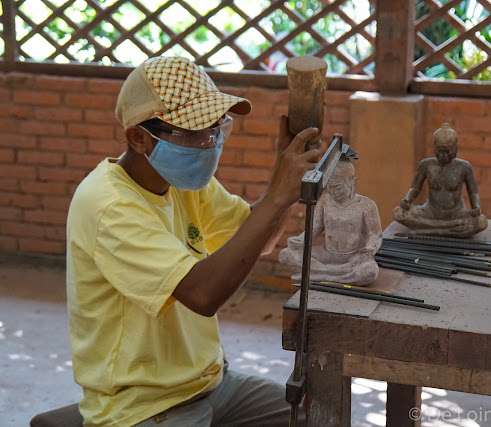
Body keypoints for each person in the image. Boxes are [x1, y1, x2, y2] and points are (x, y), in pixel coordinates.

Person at [65, 56, 322, 426]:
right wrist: (279, 195)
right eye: (191, 133)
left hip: (210, 383)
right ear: (139, 138)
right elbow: (203, 295)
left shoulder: (178, 181)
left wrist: (285, 179)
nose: (208, 144)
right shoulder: (109, 207)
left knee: (317, 413)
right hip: (143, 406)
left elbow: (256, 238)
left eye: (216, 128)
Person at [279, 158, 383, 286]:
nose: (333, 192)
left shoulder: (366, 205)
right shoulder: (324, 201)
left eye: (338, 187)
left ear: (352, 182)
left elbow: (375, 234)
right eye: (329, 187)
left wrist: (370, 248)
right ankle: (337, 275)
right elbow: (314, 228)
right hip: (327, 254)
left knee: (369, 272)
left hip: (353, 257)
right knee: (285, 255)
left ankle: (318, 275)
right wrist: (300, 240)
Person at [392, 123, 488, 237]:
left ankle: (429, 230)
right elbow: (415, 188)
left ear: (456, 148)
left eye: (448, 151)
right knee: (398, 213)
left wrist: (476, 207)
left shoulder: (464, 167)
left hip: (456, 213)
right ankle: (450, 231)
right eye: (440, 151)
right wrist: (407, 200)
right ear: (434, 148)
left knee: (481, 221)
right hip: (430, 211)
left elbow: (474, 192)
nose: (444, 156)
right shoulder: (426, 165)